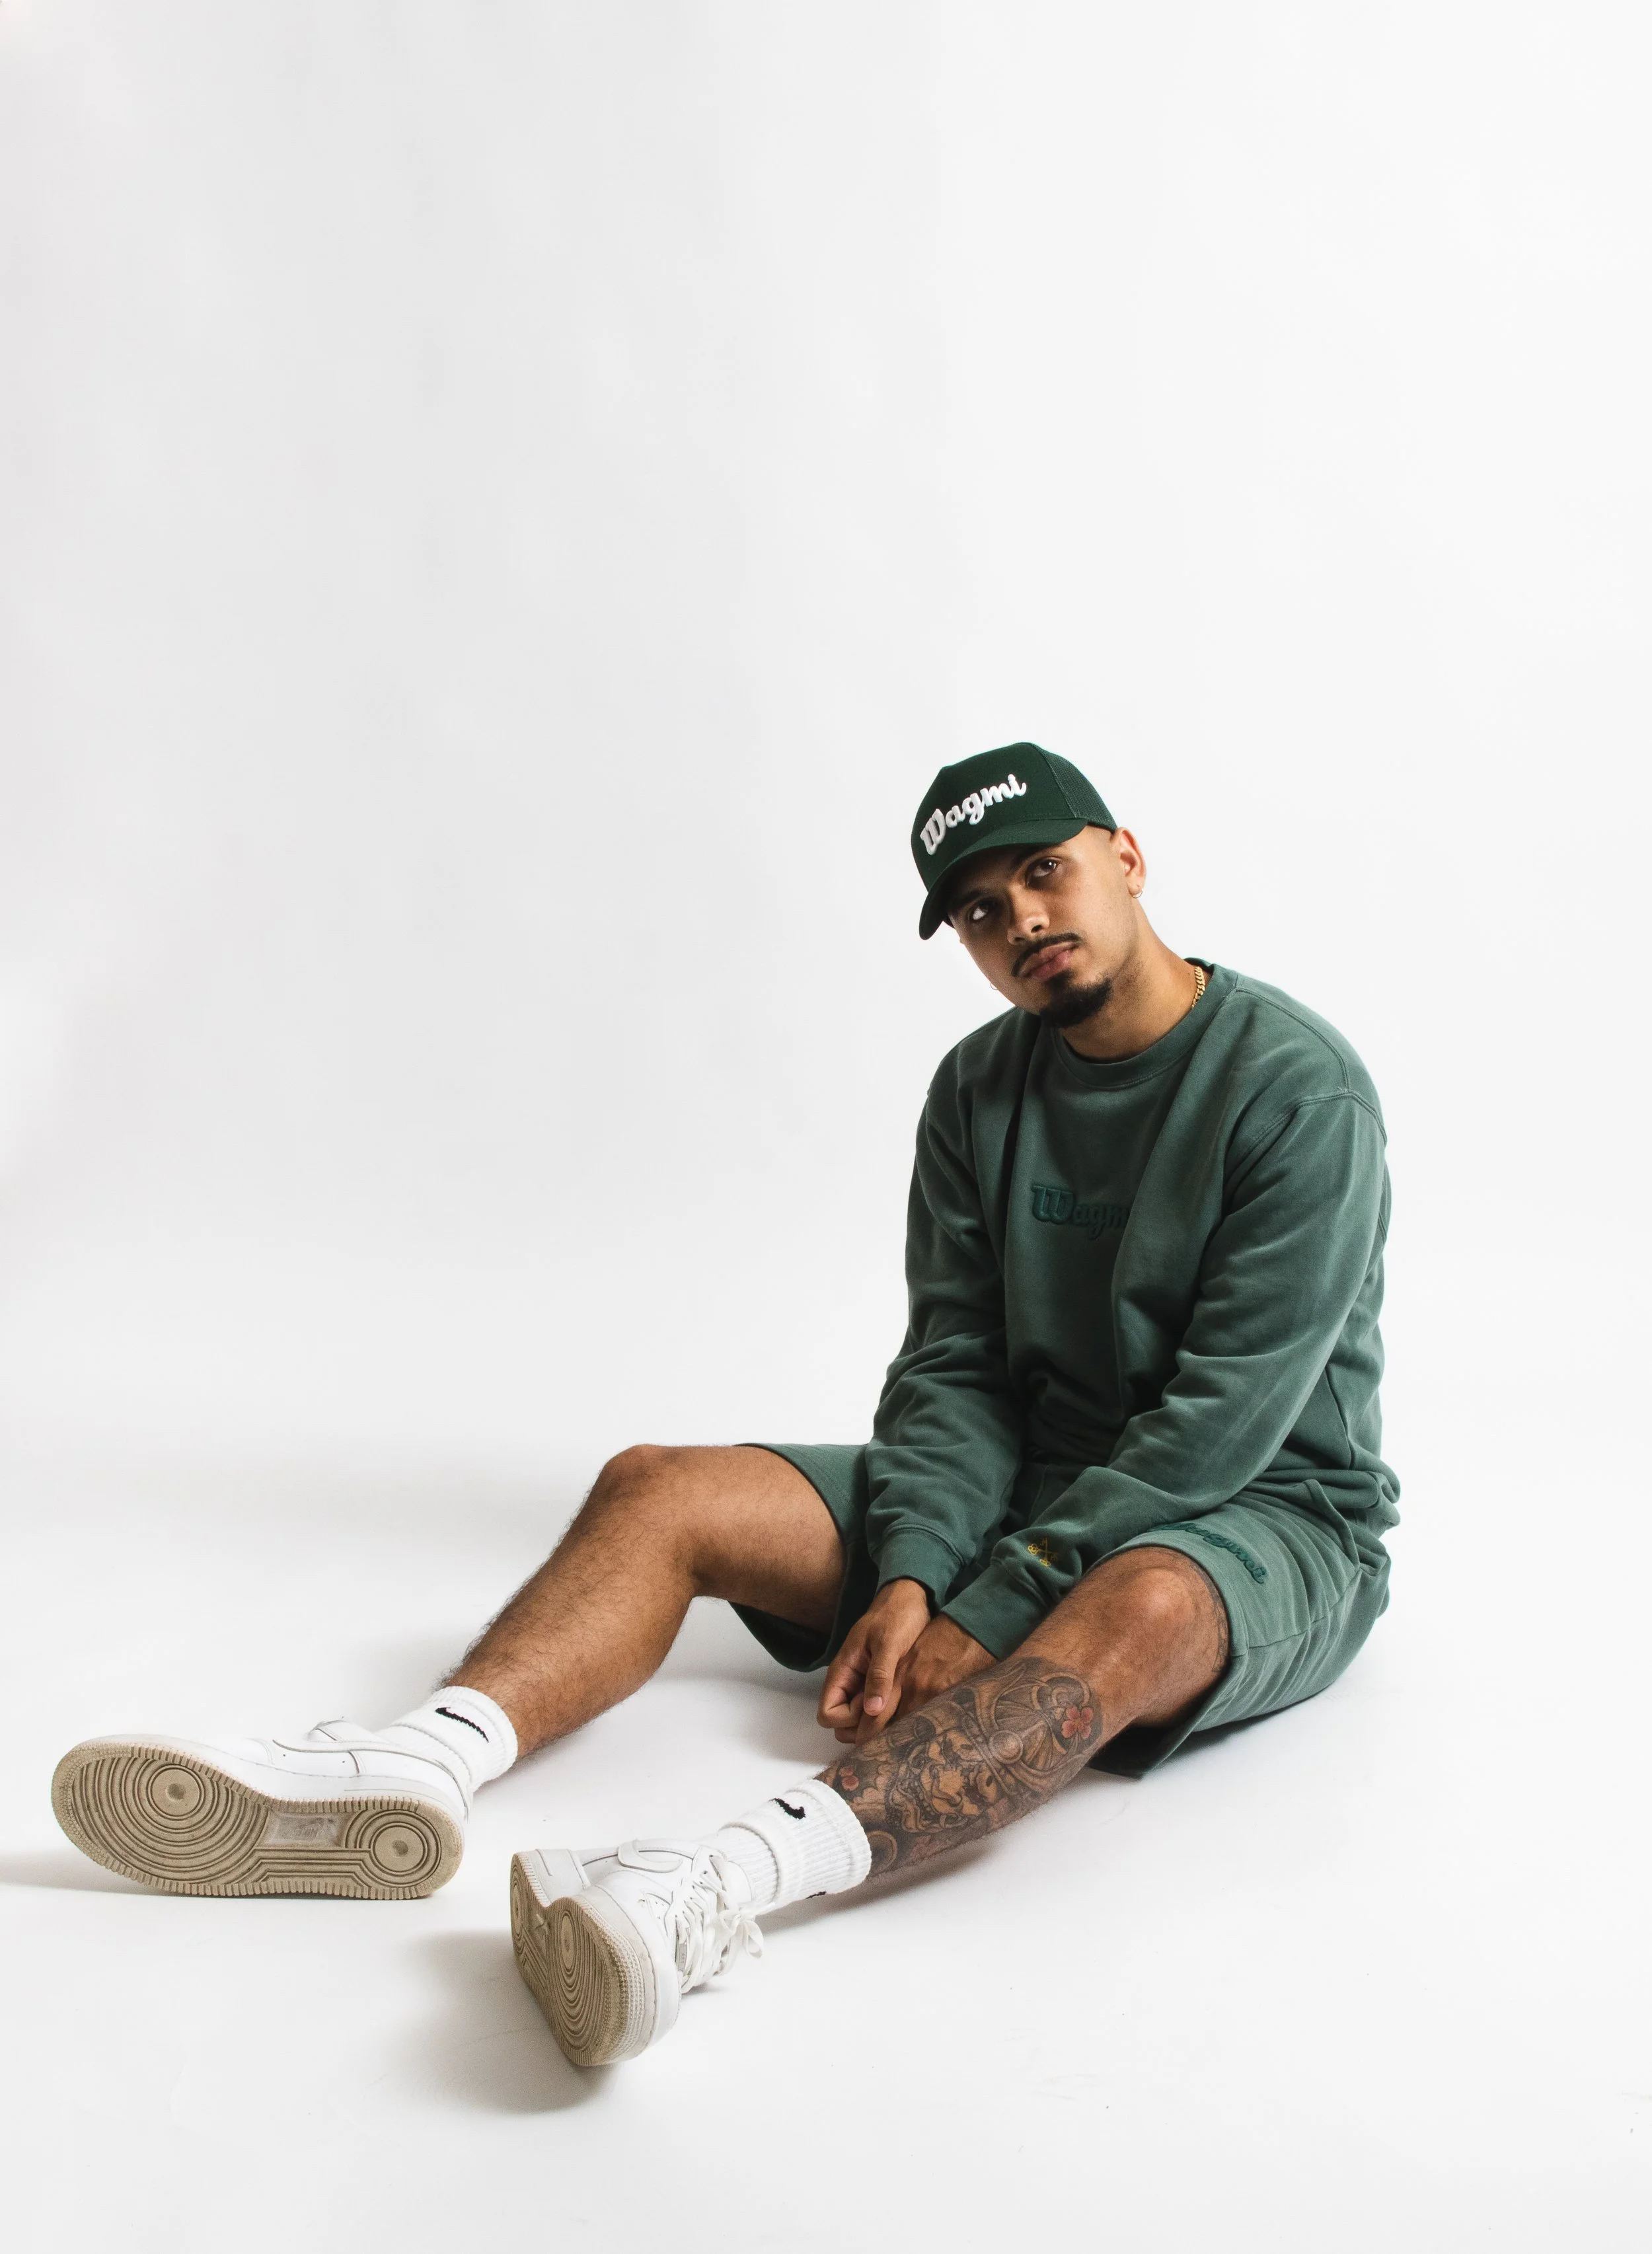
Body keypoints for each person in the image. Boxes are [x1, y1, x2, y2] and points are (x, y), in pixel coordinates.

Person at [52, 743, 1399, 2068]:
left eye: (1044, 873)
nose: (1023, 921)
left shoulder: (1295, 1088)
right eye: (980, 910)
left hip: (1259, 1510)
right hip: (1031, 1484)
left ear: (1125, 857)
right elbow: (955, 1366)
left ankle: (695, 1887)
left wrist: (996, 1600)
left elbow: (1220, 1419)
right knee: (663, 1485)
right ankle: (415, 1764)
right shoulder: (978, 1088)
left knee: (1144, 1602)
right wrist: (921, 1570)